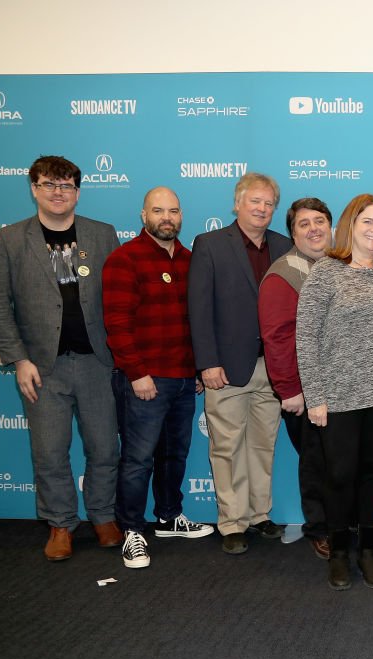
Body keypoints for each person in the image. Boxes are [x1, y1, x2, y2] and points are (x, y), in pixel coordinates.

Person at [0, 155, 123, 561]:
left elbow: (117, 298)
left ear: (77, 192)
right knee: (48, 451)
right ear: (34, 189)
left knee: (104, 448)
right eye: (49, 184)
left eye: (65, 186)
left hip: (98, 361)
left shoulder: (102, 235)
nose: (57, 193)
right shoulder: (9, 239)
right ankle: (60, 523)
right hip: (42, 367)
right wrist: (18, 359)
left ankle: (102, 516)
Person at [296, 194, 373, 591]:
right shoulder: (326, 271)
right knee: (340, 475)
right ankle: (340, 551)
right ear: (350, 224)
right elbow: (306, 337)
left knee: (372, 473)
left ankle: (367, 550)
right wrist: (316, 396)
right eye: (368, 222)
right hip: (339, 395)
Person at [103, 187, 213, 569]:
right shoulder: (124, 259)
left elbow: (197, 321)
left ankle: (168, 516)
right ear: (143, 215)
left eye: (174, 210)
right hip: (144, 380)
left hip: (184, 377)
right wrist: (137, 373)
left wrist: (198, 368)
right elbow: (116, 324)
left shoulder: (190, 260)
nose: (167, 217)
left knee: (174, 455)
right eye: (158, 210)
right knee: (137, 459)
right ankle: (132, 530)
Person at [189, 173, 291, 555]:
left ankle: (259, 514)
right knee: (227, 446)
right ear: (237, 203)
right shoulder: (210, 244)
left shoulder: (284, 246)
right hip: (227, 367)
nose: (262, 209)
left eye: (268, 204)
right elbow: (199, 309)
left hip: (275, 367)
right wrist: (207, 363)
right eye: (255, 201)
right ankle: (232, 521)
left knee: (263, 445)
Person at [258, 197, 333, 560]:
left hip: (341, 388)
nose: (314, 229)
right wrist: (290, 390)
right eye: (304, 224)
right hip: (303, 392)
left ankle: (342, 522)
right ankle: (319, 529)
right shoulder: (283, 274)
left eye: (319, 221)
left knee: (340, 459)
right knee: (317, 462)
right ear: (293, 233)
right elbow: (277, 337)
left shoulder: (340, 266)